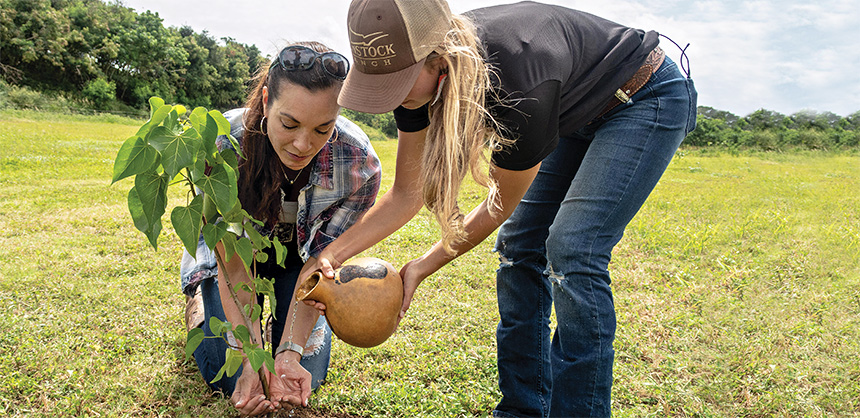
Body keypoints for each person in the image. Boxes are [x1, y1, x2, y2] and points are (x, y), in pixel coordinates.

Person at [302, 1, 698, 417]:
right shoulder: (414, 82)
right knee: (520, 247)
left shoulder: (518, 87)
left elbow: (498, 205)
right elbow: (406, 193)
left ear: (439, 59)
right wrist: (330, 256)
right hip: (575, 109)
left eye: (397, 81)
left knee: (573, 248)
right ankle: (522, 409)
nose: (390, 96)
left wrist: (422, 264)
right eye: (379, 83)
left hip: (642, 94)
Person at [180, 41, 381, 416]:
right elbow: (235, 264)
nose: (303, 144)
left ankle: (278, 335)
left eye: (323, 128)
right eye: (288, 124)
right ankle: (199, 294)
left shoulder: (358, 165)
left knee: (305, 373)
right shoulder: (224, 143)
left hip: (300, 263)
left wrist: (288, 351)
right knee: (226, 375)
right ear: (267, 99)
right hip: (240, 259)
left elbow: (322, 265)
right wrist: (249, 354)